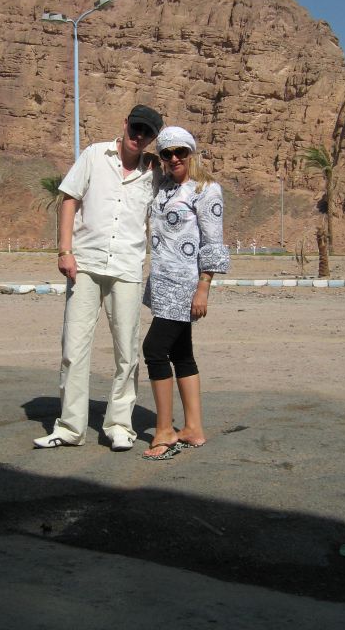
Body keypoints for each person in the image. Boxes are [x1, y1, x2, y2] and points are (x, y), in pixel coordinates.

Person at [33, 104, 164, 451]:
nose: (138, 136)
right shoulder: (94, 155)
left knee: (127, 351)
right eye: (135, 128)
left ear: (152, 139)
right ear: (125, 124)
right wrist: (64, 250)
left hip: (126, 268)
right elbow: (69, 199)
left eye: (147, 133)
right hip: (86, 264)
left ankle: (119, 425)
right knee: (74, 348)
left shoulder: (154, 171)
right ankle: (70, 427)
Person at [141, 126, 230, 460]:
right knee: (181, 354)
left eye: (181, 151)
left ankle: (164, 430)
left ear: (192, 152)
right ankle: (193, 428)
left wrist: (203, 287)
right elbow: (140, 162)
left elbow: (213, 242)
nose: (174, 158)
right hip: (162, 282)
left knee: (154, 349)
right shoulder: (164, 186)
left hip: (185, 285)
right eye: (167, 153)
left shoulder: (206, 190)